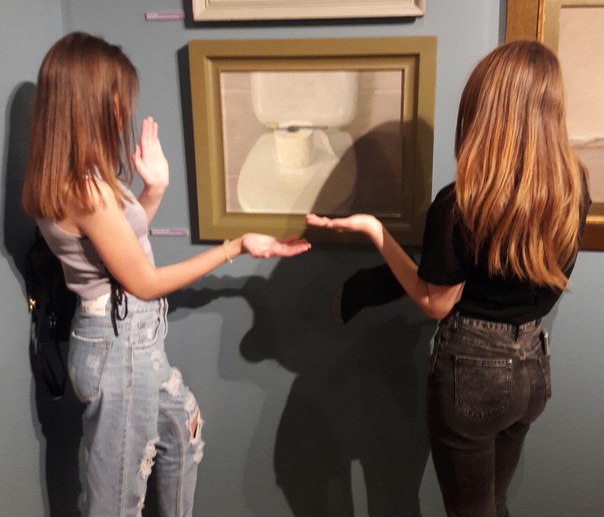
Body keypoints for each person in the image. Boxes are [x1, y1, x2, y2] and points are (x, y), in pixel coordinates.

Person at [22, 31, 311, 517]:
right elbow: (143, 281)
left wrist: (153, 191)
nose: (124, 108)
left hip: (133, 339)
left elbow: (120, 252)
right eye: (117, 96)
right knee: (117, 501)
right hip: (119, 346)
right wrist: (235, 247)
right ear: (88, 100)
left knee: (183, 434)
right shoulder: (85, 190)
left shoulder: (82, 177)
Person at [307, 40, 591, 517]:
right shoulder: (573, 189)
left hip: (474, 373)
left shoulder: (461, 203)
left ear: (484, 112)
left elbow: (435, 302)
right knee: (493, 503)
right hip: (533, 368)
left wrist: (376, 232)